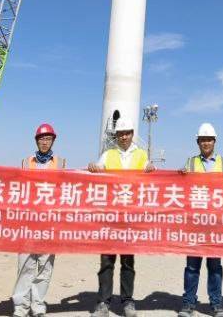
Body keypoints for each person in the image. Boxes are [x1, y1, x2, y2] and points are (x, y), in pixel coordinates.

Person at [89, 122, 154, 317]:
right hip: (110, 216)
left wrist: (151, 168)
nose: (123, 137)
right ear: (116, 135)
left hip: (130, 217)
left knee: (127, 262)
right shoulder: (108, 154)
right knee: (106, 262)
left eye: (127, 133)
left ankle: (127, 301)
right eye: (120, 134)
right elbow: (98, 167)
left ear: (132, 134)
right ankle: (103, 302)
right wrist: (93, 167)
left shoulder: (141, 155)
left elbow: (150, 171)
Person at [177, 123, 223, 317]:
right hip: (195, 224)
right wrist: (180, 176)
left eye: (209, 139)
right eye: (202, 140)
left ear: (214, 141)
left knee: (215, 266)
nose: (206, 143)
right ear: (197, 142)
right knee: (192, 266)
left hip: (215, 224)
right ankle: (188, 303)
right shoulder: (190, 163)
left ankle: (216, 304)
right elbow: (181, 189)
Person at [13, 123, 66, 317]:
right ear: (37, 141)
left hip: (49, 222)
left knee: (44, 268)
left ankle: (37, 306)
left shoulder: (60, 163)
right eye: (42, 139)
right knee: (25, 267)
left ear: (53, 141)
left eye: (48, 139)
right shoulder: (26, 162)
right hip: (28, 221)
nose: (45, 142)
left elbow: (66, 190)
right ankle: (21, 307)